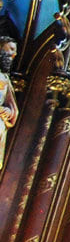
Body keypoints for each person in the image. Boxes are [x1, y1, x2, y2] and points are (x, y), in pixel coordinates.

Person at [0, 37, 19, 168]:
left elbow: (12, 108)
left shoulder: (5, 77)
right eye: (11, 49)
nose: (14, 54)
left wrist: (8, 111)